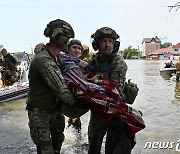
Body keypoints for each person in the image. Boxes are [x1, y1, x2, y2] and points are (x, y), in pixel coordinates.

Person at [26, 19, 76, 154]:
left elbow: (76, 64)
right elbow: (61, 90)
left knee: (57, 142)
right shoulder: (43, 59)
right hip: (40, 111)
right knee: (45, 148)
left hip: (55, 109)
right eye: (66, 37)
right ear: (55, 36)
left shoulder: (57, 57)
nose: (68, 41)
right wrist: (84, 103)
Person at [87, 27, 138, 154]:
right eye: (103, 41)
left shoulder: (118, 62)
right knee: (93, 144)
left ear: (115, 44)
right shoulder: (93, 60)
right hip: (97, 110)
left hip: (114, 110)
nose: (107, 45)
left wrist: (95, 81)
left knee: (115, 147)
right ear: (96, 44)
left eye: (110, 41)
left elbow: (115, 91)